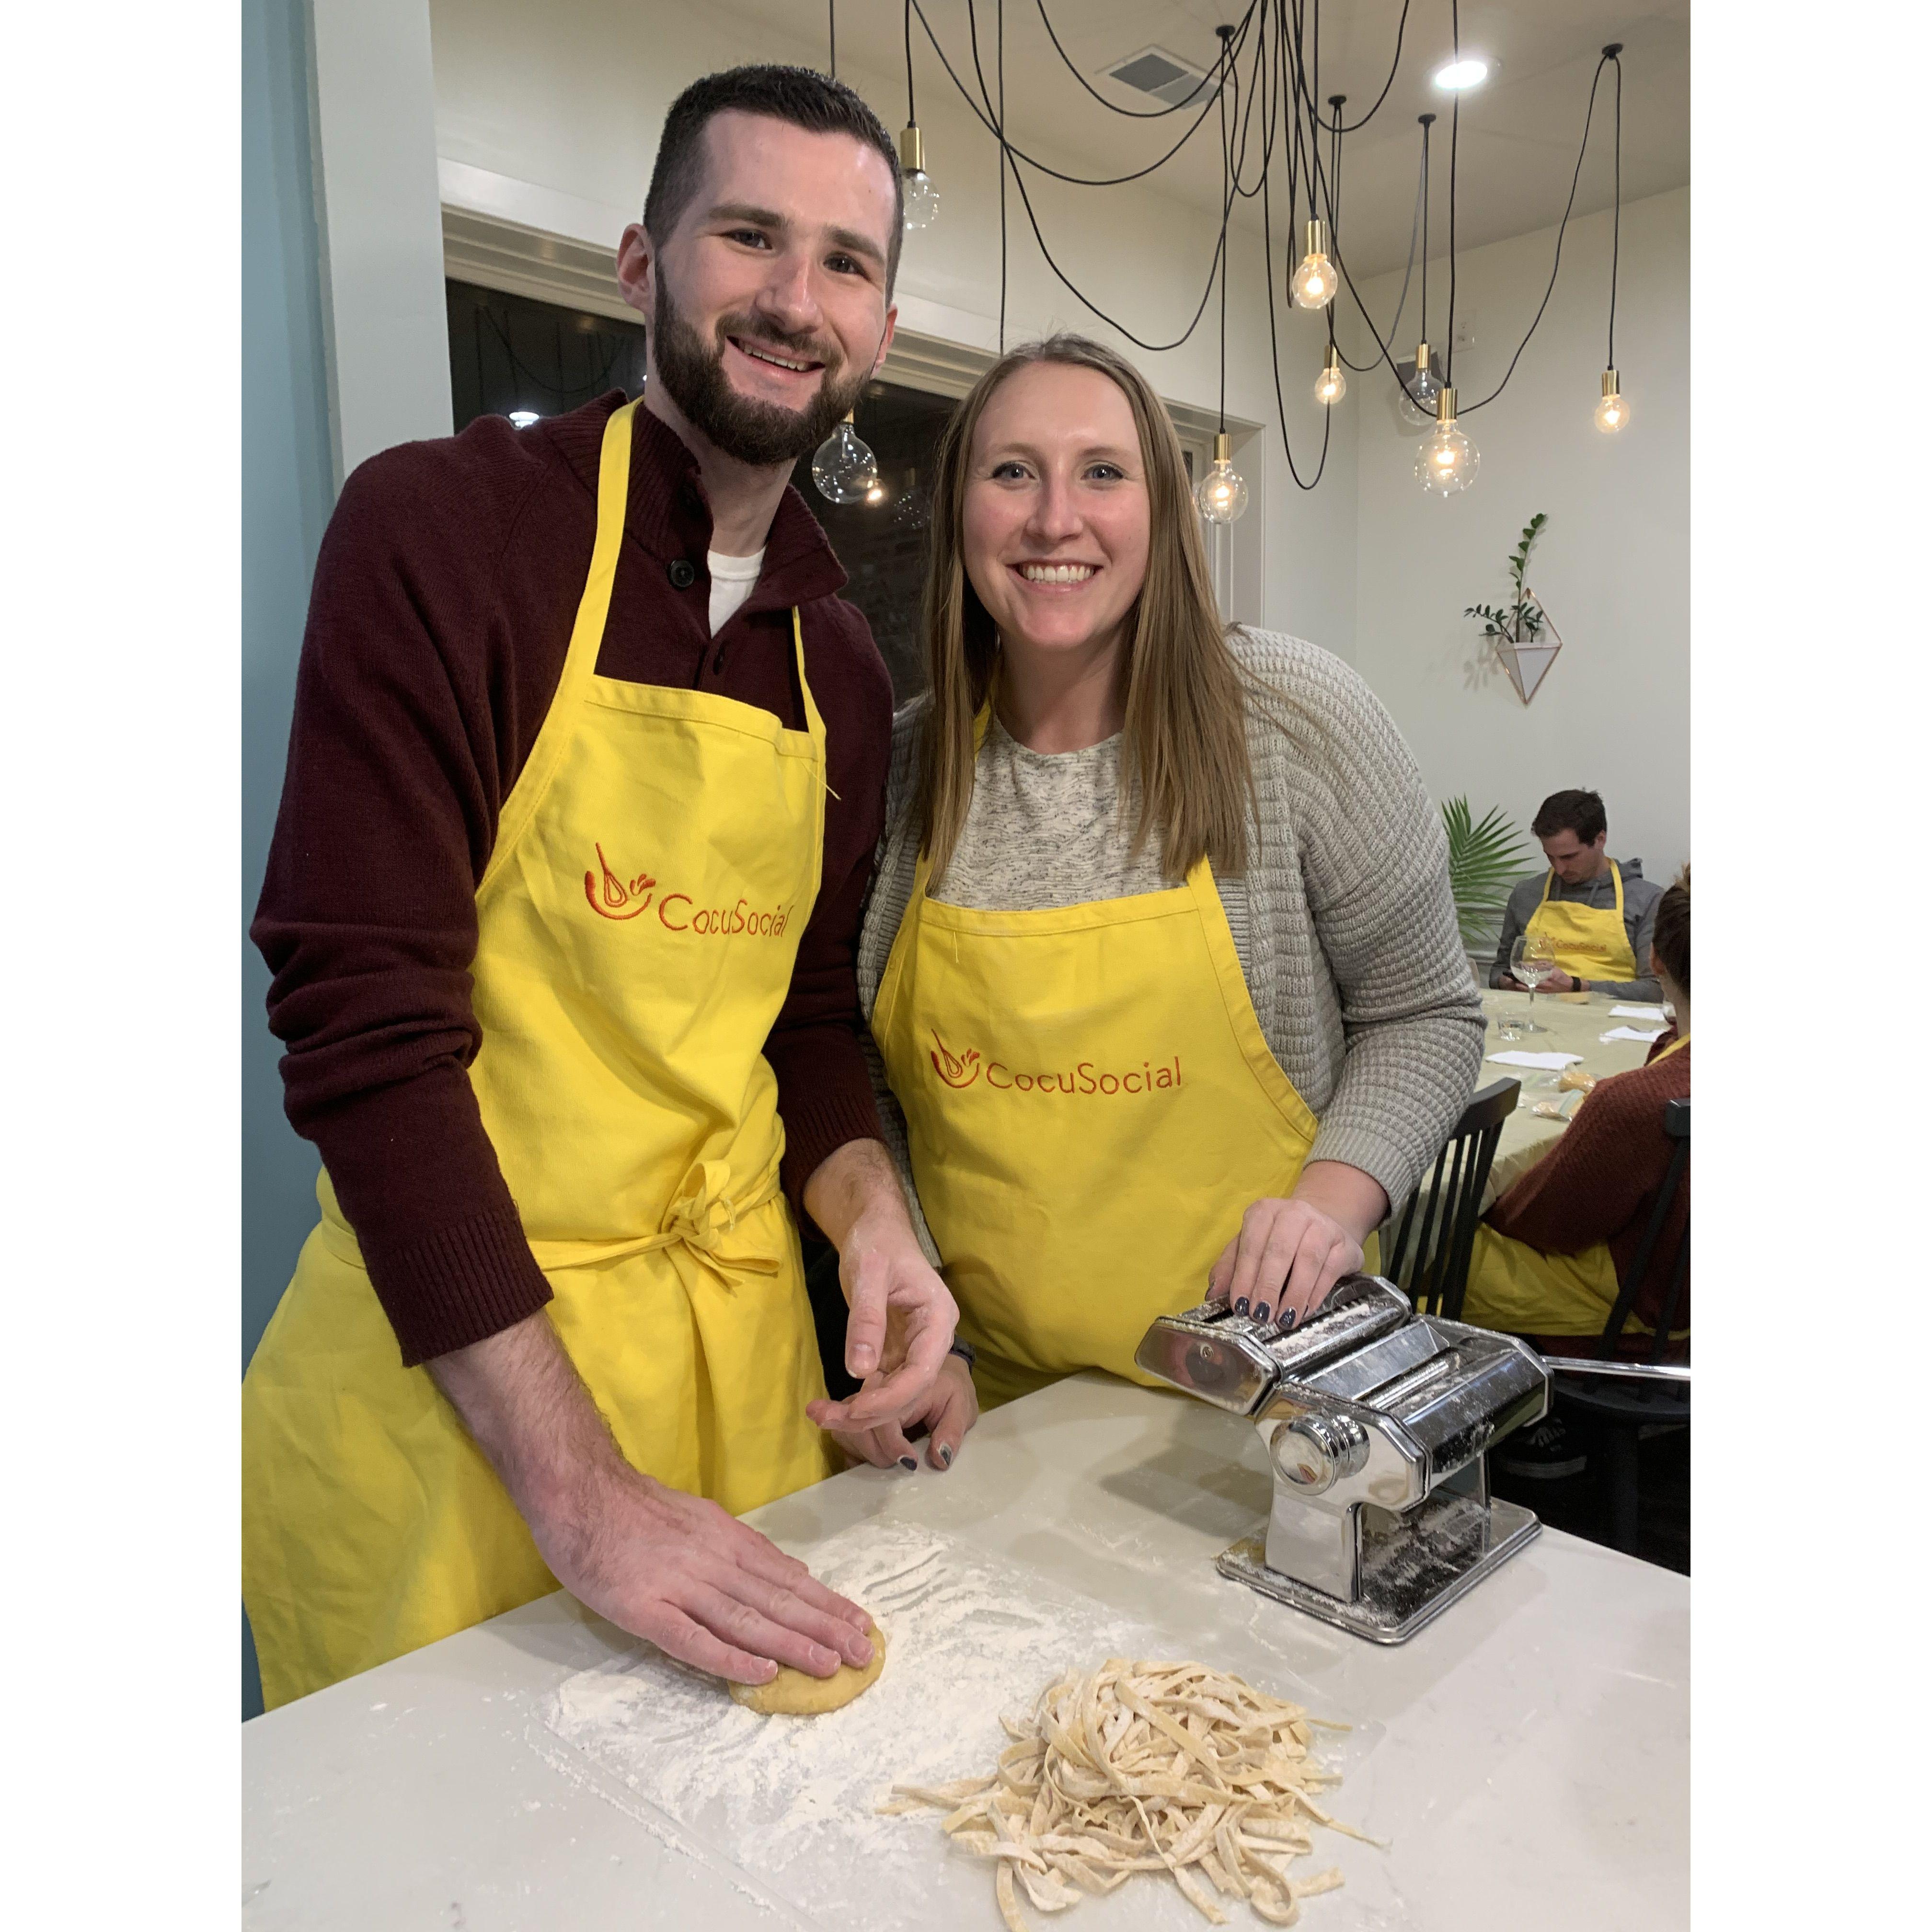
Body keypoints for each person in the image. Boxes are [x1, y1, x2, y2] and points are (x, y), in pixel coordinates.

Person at [242, 67, 965, 1712]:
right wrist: (584, 1496)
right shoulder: (441, 530)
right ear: (641, 262)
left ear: (883, 324)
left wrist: (877, 1229)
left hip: (736, 1385)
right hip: (460, 1399)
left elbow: (807, 1020)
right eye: (750, 237)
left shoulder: (838, 662)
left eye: (845, 263)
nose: (797, 299)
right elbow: (365, 1036)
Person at [849, 334, 1485, 1434]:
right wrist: (919, 1325)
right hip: (999, 1413)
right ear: (961, 513)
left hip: (1277, 1398)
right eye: (1012, 472)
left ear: (1165, 512)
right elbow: (870, 1082)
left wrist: (1329, 1205)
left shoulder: (1293, 721)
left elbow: (1425, 1010)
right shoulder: (904, 772)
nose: (1056, 518)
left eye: (1103, 471)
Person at [1466, 867, 1690, 1476]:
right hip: (1683, 1280)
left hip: (1655, 1307)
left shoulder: (1639, 1102)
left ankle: (1507, 1423)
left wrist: (1488, 1199)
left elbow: (1547, 1224)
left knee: (1427, 1243)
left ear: (1655, 962)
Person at [1492, 789, 1663, 1001]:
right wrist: (1508, 982)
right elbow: (1499, 970)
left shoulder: (1647, 900)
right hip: (1537, 1018)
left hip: (1614, 1024)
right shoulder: (1527, 894)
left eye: (1569, 857)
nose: (1560, 869)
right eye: (1550, 857)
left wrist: (1577, 986)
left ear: (1600, 839)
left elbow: (1656, 990)